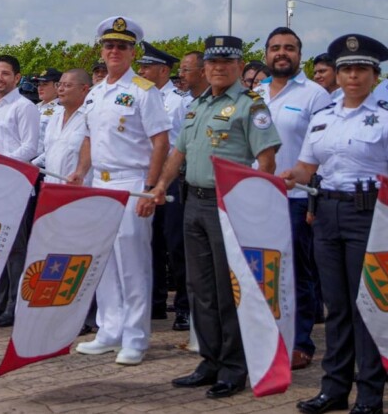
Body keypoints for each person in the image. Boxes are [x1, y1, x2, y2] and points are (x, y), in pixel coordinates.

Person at [150, 35, 281, 398]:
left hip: (229, 206)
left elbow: (267, 161)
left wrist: (255, 205)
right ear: (205, 68)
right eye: (213, 63)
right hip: (193, 201)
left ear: (239, 66)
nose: (219, 69)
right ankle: (209, 360)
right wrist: (161, 185)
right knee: (198, 287)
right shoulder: (197, 106)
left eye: (227, 63)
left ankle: (233, 366)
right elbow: (179, 153)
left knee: (227, 290)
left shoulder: (250, 106)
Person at [284, 34, 387, 414]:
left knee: (369, 306)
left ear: (375, 75)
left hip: (371, 215)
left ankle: (370, 393)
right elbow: (306, 167)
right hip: (326, 213)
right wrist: (285, 177)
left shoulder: (386, 114)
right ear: (338, 75)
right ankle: (334, 389)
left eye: (361, 69)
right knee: (337, 306)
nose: (353, 76)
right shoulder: (323, 117)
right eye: (346, 69)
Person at [66, 16, 170, 366]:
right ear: (102, 49)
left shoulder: (143, 90)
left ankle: (136, 337)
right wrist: (80, 172)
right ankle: (109, 330)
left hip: (131, 181)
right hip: (100, 182)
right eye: (109, 45)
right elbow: (88, 139)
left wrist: (151, 187)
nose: (114, 51)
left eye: (122, 46)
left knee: (132, 264)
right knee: (105, 262)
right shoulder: (94, 94)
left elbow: (160, 141)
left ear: (132, 52)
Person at [256, 27, 333, 371]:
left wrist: (316, 203)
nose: (281, 53)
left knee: (297, 275)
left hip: (297, 198)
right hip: (256, 199)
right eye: (275, 48)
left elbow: (323, 151)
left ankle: (301, 342)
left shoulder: (315, 95)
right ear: (266, 54)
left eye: (289, 48)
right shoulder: (253, 95)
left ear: (299, 55)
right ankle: (266, 338)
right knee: (263, 272)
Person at [0, 54, 41, 328]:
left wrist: (1, 164)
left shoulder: (25, 107)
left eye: (5, 73)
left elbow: (30, 147)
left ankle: (16, 304)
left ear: (16, 77)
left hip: (14, 184)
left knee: (15, 247)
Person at [136, 41, 190, 330]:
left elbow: (183, 143)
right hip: (145, 178)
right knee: (150, 242)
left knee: (176, 244)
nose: (141, 70)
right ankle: (155, 303)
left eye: (146, 66)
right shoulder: (141, 96)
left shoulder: (179, 101)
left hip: (171, 180)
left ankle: (184, 306)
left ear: (164, 70)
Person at [32, 69, 91, 183]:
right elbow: (49, 151)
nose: (60, 89)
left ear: (84, 89)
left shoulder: (90, 118)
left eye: (67, 85)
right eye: (59, 85)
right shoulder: (55, 116)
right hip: (50, 187)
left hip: (78, 189)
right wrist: (32, 164)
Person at [32, 68, 63, 154]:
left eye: (45, 84)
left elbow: (56, 144)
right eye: (39, 84)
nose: (40, 88)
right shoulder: (33, 107)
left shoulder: (61, 110)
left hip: (43, 163)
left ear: (57, 86)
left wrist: (35, 163)